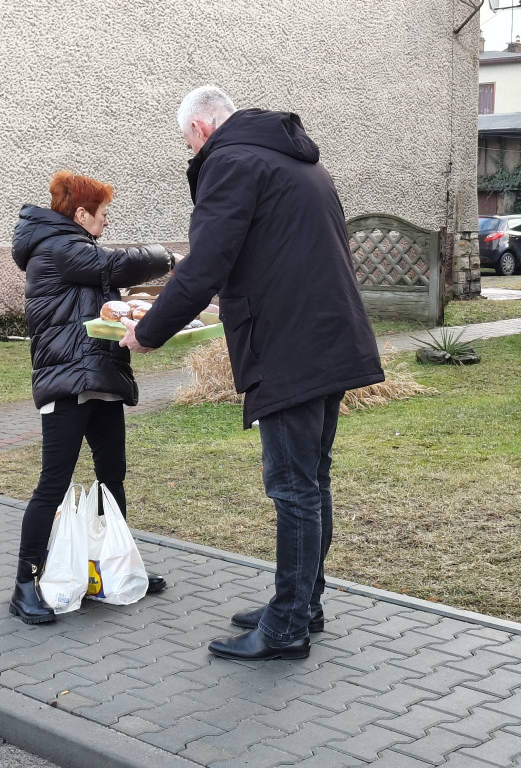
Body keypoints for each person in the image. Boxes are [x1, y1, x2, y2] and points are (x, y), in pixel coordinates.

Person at [120, 86, 384, 660]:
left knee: (292, 488)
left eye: (187, 141)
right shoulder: (295, 160)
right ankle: (301, 603)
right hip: (327, 335)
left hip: (290, 346)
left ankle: (287, 626)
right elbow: (277, 251)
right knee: (312, 481)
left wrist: (148, 330)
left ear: (201, 129)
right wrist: (234, 301)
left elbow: (204, 263)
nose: (190, 153)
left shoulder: (232, 162)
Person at [9, 171, 179, 624]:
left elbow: (103, 301)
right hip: (68, 384)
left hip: (100, 378)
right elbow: (111, 266)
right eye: (102, 214)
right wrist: (168, 259)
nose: (105, 222)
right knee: (53, 483)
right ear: (81, 214)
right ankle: (25, 584)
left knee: (112, 478)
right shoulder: (58, 249)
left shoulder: (76, 249)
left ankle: (115, 565)